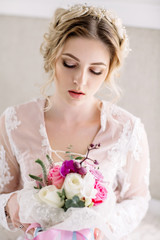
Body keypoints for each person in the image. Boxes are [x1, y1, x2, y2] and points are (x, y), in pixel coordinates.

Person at [0, 4, 150, 240]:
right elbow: (2, 196)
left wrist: (104, 228)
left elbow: (138, 198)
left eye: (96, 71)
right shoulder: (14, 121)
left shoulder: (126, 129)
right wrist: (15, 204)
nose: (80, 80)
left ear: (109, 71)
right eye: (70, 64)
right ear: (52, 58)